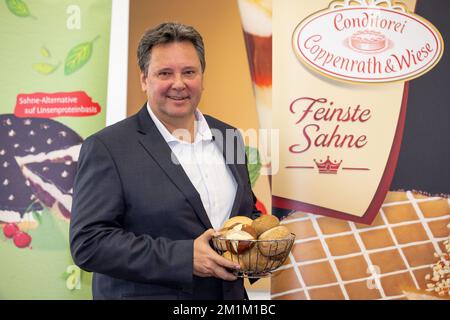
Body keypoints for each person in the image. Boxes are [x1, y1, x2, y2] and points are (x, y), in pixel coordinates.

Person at [69, 22, 260, 300]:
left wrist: (260, 244)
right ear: (145, 79)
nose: (179, 83)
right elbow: (89, 243)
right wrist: (184, 258)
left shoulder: (228, 136)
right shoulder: (107, 147)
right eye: (165, 73)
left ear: (202, 77)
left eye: (189, 72)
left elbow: (243, 212)